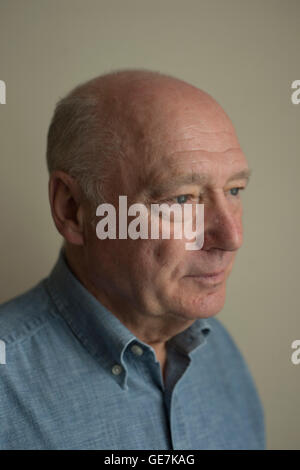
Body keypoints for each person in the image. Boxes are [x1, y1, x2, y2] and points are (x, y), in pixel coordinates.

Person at [0, 70, 265, 449]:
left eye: (234, 189)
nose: (231, 237)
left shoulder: (220, 351)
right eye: (182, 199)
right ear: (74, 209)